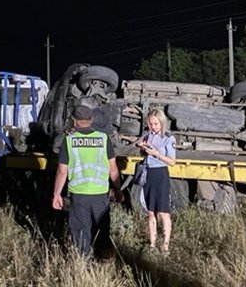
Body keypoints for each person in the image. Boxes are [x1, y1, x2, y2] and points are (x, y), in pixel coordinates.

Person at [52, 105, 123, 257]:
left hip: (79, 195)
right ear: (91, 120)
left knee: (80, 232)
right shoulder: (103, 139)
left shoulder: (69, 141)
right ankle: (101, 263)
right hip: (100, 195)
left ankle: (83, 264)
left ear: (74, 121)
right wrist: (117, 189)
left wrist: (57, 194)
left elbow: (62, 171)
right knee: (101, 232)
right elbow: (114, 169)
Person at [133, 108, 176, 256]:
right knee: (150, 212)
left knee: (164, 212)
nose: (153, 127)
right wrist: (142, 147)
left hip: (161, 174)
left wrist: (157, 154)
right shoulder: (148, 136)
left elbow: (172, 162)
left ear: (162, 123)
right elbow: (144, 154)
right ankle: (152, 244)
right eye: (150, 124)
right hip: (148, 173)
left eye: (156, 124)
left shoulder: (168, 138)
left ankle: (165, 245)